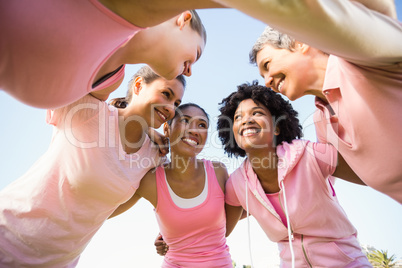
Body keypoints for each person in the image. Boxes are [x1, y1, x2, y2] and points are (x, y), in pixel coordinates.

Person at [212, 0, 402, 204]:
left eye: (267, 64)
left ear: (300, 41)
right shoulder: (323, 124)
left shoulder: (359, 61)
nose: (267, 82)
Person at [0, 66, 185, 267]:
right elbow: (86, 62)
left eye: (176, 103)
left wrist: (170, 231)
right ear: (139, 85)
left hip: (58, 261)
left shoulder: (154, 155)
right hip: (7, 235)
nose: (171, 108)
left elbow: (167, 198)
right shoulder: (87, 110)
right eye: (166, 94)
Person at [217, 82, 371, 267]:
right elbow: (217, 229)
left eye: (256, 113)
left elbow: (372, 175)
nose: (246, 120)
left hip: (347, 263)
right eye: (238, 117)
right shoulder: (237, 183)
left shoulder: (310, 155)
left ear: (276, 127)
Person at [0, 0, 222, 109]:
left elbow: (102, 121)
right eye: (197, 54)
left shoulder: (110, 82)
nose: (190, 71)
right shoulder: (127, 7)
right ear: (182, 19)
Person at [110, 103, 235, 268]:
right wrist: (147, 129)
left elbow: (235, 209)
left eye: (202, 125)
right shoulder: (150, 181)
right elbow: (104, 212)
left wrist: (183, 233)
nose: (194, 130)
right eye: (185, 121)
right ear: (167, 130)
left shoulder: (218, 172)